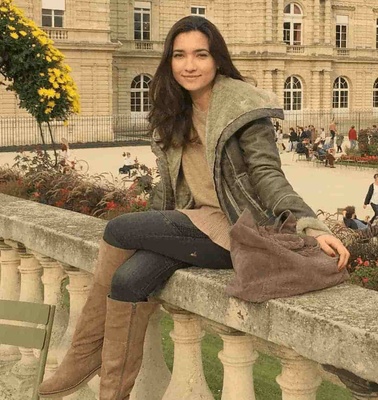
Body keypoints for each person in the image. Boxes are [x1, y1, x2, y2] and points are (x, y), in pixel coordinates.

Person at [38, 16, 349, 400]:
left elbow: (269, 176)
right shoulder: (174, 107)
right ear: (169, 60)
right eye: (180, 55)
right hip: (194, 222)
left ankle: (81, 357)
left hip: (236, 229)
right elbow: (169, 190)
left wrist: (309, 224)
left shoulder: (241, 105)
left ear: (216, 58)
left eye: (200, 54)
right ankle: (111, 393)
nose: (189, 64)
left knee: (117, 230)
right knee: (128, 281)